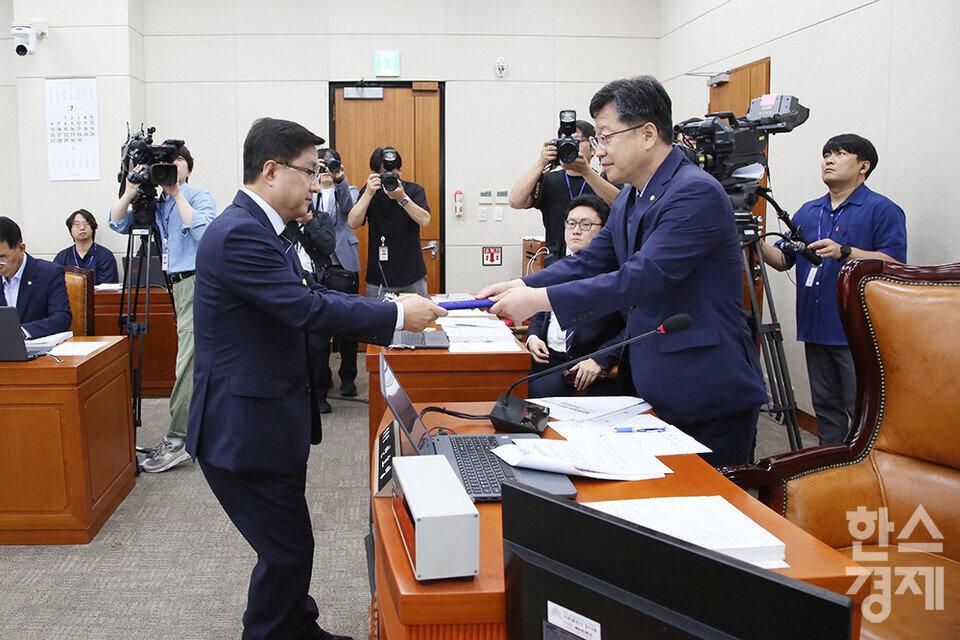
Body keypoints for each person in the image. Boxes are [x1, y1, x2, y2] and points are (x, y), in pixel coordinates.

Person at [186, 117, 445, 640]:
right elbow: (305, 308)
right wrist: (395, 317)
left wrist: (389, 307)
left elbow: (316, 295)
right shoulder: (239, 233)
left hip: (269, 419)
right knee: (286, 549)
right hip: (242, 427)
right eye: (309, 172)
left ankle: (296, 627)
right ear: (271, 170)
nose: (315, 184)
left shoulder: (268, 230)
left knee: (288, 544)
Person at [480, 75, 767, 467]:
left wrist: (539, 299)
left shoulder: (694, 192)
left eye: (605, 137)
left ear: (648, 134)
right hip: (654, 378)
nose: (597, 153)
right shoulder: (634, 193)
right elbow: (593, 260)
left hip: (704, 387)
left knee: (706, 507)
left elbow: (641, 278)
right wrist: (522, 282)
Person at [760, 134, 906, 445]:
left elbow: (894, 263)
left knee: (862, 410)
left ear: (863, 166)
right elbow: (783, 260)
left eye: (839, 154)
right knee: (825, 408)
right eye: (826, 154)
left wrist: (845, 251)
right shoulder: (809, 211)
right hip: (815, 328)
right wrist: (755, 243)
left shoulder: (881, 209)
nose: (829, 160)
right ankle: (831, 467)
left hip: (856, 331)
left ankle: (867, 472)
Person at [109, 144, 216, 473]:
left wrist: (176, 191)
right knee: (191, 358)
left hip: (198, 283)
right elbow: (117, 224)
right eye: (165, 163)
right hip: (176, 286)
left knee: (186, 362)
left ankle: (178, 438)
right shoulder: (155, 204)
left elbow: (204, 232)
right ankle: (194, 432)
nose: (171, 165)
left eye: (177, 160)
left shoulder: (199, 197)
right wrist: (129, 193)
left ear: (188, 166)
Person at [525, 195, 625, 397]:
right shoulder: (556, 266)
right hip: (544, 358)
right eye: (571, 224)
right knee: (499, 381)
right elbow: (542, 311)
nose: (576, 230)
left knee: (525, 394)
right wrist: (533, 337)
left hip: (579, 365)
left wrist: (600, 359)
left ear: (604, 230)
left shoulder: (616, 274)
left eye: (585, 225)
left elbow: (631, 327)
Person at [509, 119, 621, 265]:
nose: (570, 146)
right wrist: (541, 162)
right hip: (556, 262)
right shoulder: (549, 180)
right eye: (563, 142)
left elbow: (622, 205)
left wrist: (586, 171)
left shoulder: (606, 178)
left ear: (594, 148)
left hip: (599, 262)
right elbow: (515, 201)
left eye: (577, 141)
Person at [312, 148, 362, 400]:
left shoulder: (348, 189)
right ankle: (321, 378)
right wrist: (315, 181)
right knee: (319, 329)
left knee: (349, 327)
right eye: (322, 165)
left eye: (331, 165)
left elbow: (351, 209)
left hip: (343, 266)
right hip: (316, 267)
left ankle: (349, 377)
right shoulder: (309, 189)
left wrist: (339, 179)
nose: (327, 171)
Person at [347, 147, 431, 297]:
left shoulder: (413, 190)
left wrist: (401, 198)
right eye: (383, 174)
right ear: (373, 174)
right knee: (378, 320)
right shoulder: (370, 192)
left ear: (400, 171)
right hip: (379, 276)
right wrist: (368, 193)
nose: (388, 178)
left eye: (392, 173)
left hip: (412, 275)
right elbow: (353, 223)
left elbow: (425, 220)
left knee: (420, 318)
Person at [0, 216, 71, 338]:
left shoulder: (49, 273)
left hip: (38, 350)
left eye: (3, 258)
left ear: (21, 249)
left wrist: (21, 332)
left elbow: (61, 318)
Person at [52, 209, 119, 284]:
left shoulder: (105, 256)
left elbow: (108, 289)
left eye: (86, 224)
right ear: (70, 230)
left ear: (93, 229)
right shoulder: (61, 257)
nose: (82, 228)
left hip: (97, 296)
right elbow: (55, 285)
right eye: (77, 225)